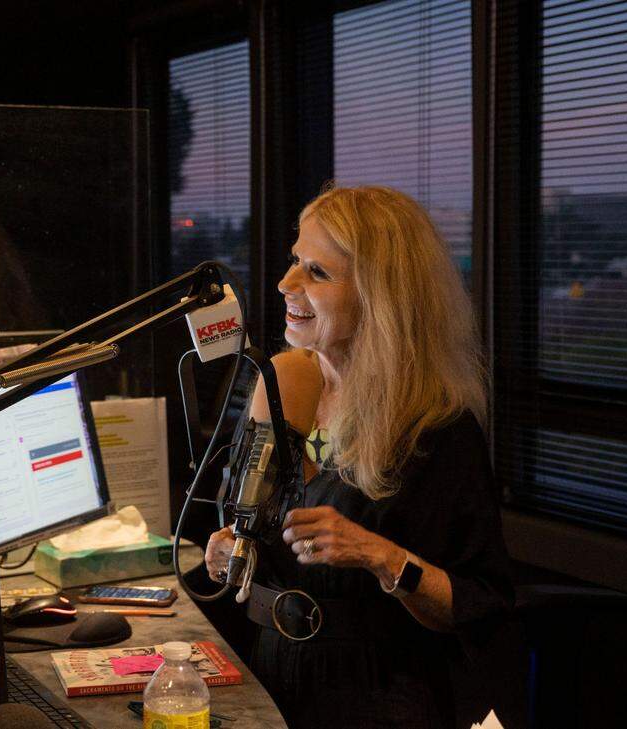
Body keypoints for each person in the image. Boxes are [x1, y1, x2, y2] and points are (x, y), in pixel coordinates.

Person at [204, 185, 513, 728]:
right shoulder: (279, 385)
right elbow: (252, 526)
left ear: (380, 296)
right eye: (294, 261)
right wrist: (233, 546)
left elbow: (478, 602)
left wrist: (380, 556)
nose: (285, 284)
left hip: (378, 698)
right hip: (269, 680)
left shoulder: (435, 425)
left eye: (317, 273)